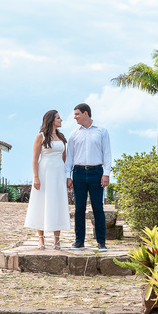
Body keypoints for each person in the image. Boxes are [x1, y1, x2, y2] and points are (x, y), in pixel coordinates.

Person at [64, 102, 112, 249]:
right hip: (78, 173)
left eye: (77, 114)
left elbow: (107, 154)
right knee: (79, 209)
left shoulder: (102, 131)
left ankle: (101, 242)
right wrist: (68, 175)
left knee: (98, 208)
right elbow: (69, 157)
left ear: (86, 114)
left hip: (96, 172)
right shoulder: (74, 134)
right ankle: (79, 241)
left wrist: (106, 174)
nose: (75, 117)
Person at [24, 109, 72, 249]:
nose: (61, 120)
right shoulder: (40, 137)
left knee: (58, 203)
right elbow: (34, 159)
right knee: (42, 203)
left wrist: (66, 176)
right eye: (58, 117)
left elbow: (64, 158)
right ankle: (41, 239)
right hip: (45, 171)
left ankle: (57, 240)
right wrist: (36, 177)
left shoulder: (61, 137)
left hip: (58, 173)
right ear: (51, 120)